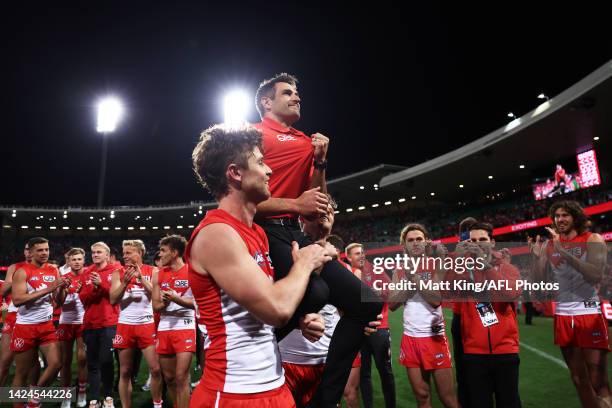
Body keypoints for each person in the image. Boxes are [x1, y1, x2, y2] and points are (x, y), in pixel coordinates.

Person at [253, 73, 382, 406]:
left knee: (366, 302)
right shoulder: (251, 135)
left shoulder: (306, 142)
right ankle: (244, 351)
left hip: (294, 231)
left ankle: (324, 400)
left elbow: (317, 207)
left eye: (298, 93)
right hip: (262, 231)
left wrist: (321, 161)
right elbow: (246, 201)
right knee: (315, 295)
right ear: (267, 102)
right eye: (287, 93)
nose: (297, 97)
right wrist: (296, 203)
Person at [188, 124, 335, 407]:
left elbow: (262, 309)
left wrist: (300, 320)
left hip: (275, 386)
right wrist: (304, 264)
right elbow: (276, 309)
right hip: (234, 393)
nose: (269, 171)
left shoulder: (256, 234)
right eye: (260, 162)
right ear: (235, 173)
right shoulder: (216, 233)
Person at [530, 200, 610, 408]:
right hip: (564, 317)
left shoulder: (592, 239)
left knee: (597, 379)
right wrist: (537, 258)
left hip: (589, 315)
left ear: (575, 216)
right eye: (557, 216)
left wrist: (563, 250)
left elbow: (595, 274)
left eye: (565, 215)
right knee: (578, 379)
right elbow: (539, 284)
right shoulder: (549, 246)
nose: (560, 219)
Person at [453, 222, 522, 408]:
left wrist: (486, 266)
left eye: (482, 240)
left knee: (509, 403)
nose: (477, 244)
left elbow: (511, 293)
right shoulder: (463, 269)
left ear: (492, 242)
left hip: (506, 351)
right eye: (472, 240)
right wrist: (458, 260)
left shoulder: (508, 269)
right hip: (474, 353)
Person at [389, 224, 458, 408]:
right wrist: (409, 284)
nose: (415, 243)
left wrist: (414, 279)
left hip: (434, 338)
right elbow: (393, 303)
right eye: (410, 240)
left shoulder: (437, 264)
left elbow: (435, 299)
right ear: (404, 245)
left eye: (419, 239)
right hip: (411, 339)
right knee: (422, 395)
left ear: (426, 241)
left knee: (447, 398)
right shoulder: (399, 270)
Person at [11, 237, 70, 408]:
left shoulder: (53, 270)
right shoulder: (22, 271)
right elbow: (17, 300)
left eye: (46, 249)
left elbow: (58, 301)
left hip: (46, 325)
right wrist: (49, 288)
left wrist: (62, 288)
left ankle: (34, 399)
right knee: (21, 373)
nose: (44, 253)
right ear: (30, 252)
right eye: (40, 250)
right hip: (25, 327)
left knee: (56, 364)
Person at [110, 240, 163, 408]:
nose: (124, 256)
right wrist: (125, 283)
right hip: (125, 326)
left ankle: (157, 404)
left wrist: (141, 278)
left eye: (129, 252)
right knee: (125, 371)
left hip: (147, 325)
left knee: (155, 369)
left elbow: (158, 296)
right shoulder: (118, 273)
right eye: (124, 252)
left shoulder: (153, 271)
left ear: (140, 253)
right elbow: (113, 300)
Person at [152, 235, 195, 408]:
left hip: (185, 325)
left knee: (181, 377)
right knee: (169, 378)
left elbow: (199, 304)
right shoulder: (158, 275)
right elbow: (156, 306)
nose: (159, 254)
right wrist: (166, 302)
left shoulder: (192, 272)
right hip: (164, 328)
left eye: (163, 250)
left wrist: (177, 299)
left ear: (175, 252)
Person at [79, 242, 119, 408]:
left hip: (109, 323)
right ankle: (94, 398)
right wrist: (95, 288)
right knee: (92, 363)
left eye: (99, 252)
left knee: (106, 360)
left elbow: (115, 296)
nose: (95, 255)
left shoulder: (116, 271)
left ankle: (108, 396)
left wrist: (101, 285)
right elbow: (83, 298)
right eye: (93, 252)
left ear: (107, 255)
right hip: (90, 324)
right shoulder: (86, 272)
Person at [58, 247, 88, 408]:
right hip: (66, 321)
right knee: (65, 361)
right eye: (73, 259)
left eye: (79, 259)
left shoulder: (89, 275)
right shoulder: (62, 277)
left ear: (83, 260)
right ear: (68, 261)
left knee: (82, 360)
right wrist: (63, 288)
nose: (76, 262)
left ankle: (82, 393)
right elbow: (58, 302)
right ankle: (66, 397)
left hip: (83, 321)